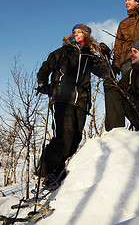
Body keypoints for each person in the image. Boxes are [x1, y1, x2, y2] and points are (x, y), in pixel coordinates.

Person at [35, 24, 109, 186]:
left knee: (76, 137)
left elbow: (105, 72)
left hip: (81, 100)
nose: (76, 34)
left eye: (80, 32)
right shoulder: (63, 51)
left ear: (87, 35)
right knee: (64, 134)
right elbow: (45, 67)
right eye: (74, 32)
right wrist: (43, 84)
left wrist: (105, 56)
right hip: (62, 97)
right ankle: (47, 170)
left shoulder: (90, 56)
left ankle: (57, 170)